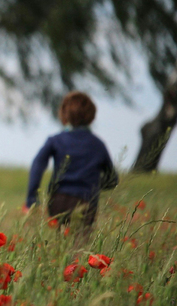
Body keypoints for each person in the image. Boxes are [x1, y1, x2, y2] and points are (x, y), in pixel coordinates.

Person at [25, 91, 118, 228]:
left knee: (61, 241)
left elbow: (37, 166)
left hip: (58, 200)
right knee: (81, 244)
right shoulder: (98, 145)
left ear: (64, 114)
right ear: (91, 116)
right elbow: (112, 179)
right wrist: (92, 184)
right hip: (86, 201)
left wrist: (32, 199)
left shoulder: (55, 141)